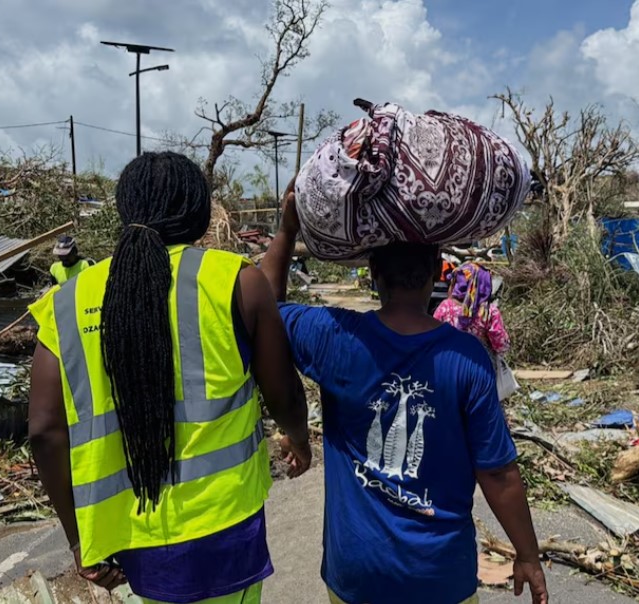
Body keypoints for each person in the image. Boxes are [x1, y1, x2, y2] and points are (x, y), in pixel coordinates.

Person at [28, 152, 312, 604]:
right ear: (200, 214)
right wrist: (299, 439)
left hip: (128, 533)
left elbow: (44, 432)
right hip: (221, 524)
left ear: (125, 211)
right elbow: (283, 394)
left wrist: (80, 539)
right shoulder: (232, 279)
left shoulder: (65, 303)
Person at [260, 181, 548, 604]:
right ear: (436, 271)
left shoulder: (335, 337)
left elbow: (264, 312)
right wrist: (527, 556)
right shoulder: (466, 357)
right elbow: (498, 473)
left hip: (357, 575)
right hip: (439, 577)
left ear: (373, 272)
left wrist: (287, 231)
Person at [433, 263, 517, 401]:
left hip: (449, 367)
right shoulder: (488, 311)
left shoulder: (444, 307)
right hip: (481, 368)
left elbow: (433, 337)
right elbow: (501, 344)